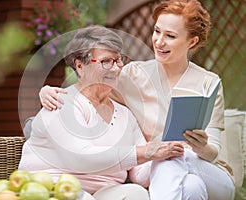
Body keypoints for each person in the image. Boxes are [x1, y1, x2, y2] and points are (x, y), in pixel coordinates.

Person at [38, 0, 235, 199]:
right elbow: (90, 84)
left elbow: (214, 153)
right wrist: (48, 91)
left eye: (170, 36)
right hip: (163, 173)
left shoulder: (208, 83)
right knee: (190, 185)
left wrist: (199, 146)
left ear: (191, 42)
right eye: (157, 31)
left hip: (211, 174)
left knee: (173, 158)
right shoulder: (133, 75)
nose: (159, 41)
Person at [19, 25, 185, 200]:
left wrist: (166, 150)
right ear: (80, 66)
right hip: (51, 189)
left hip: (102, 193)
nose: (115, 68)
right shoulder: (61, 102)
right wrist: (147, 151)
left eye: (118, 60)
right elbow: (82, 158)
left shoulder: (125, 115)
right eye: (106, 61)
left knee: (137, 194)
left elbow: (140, 175)